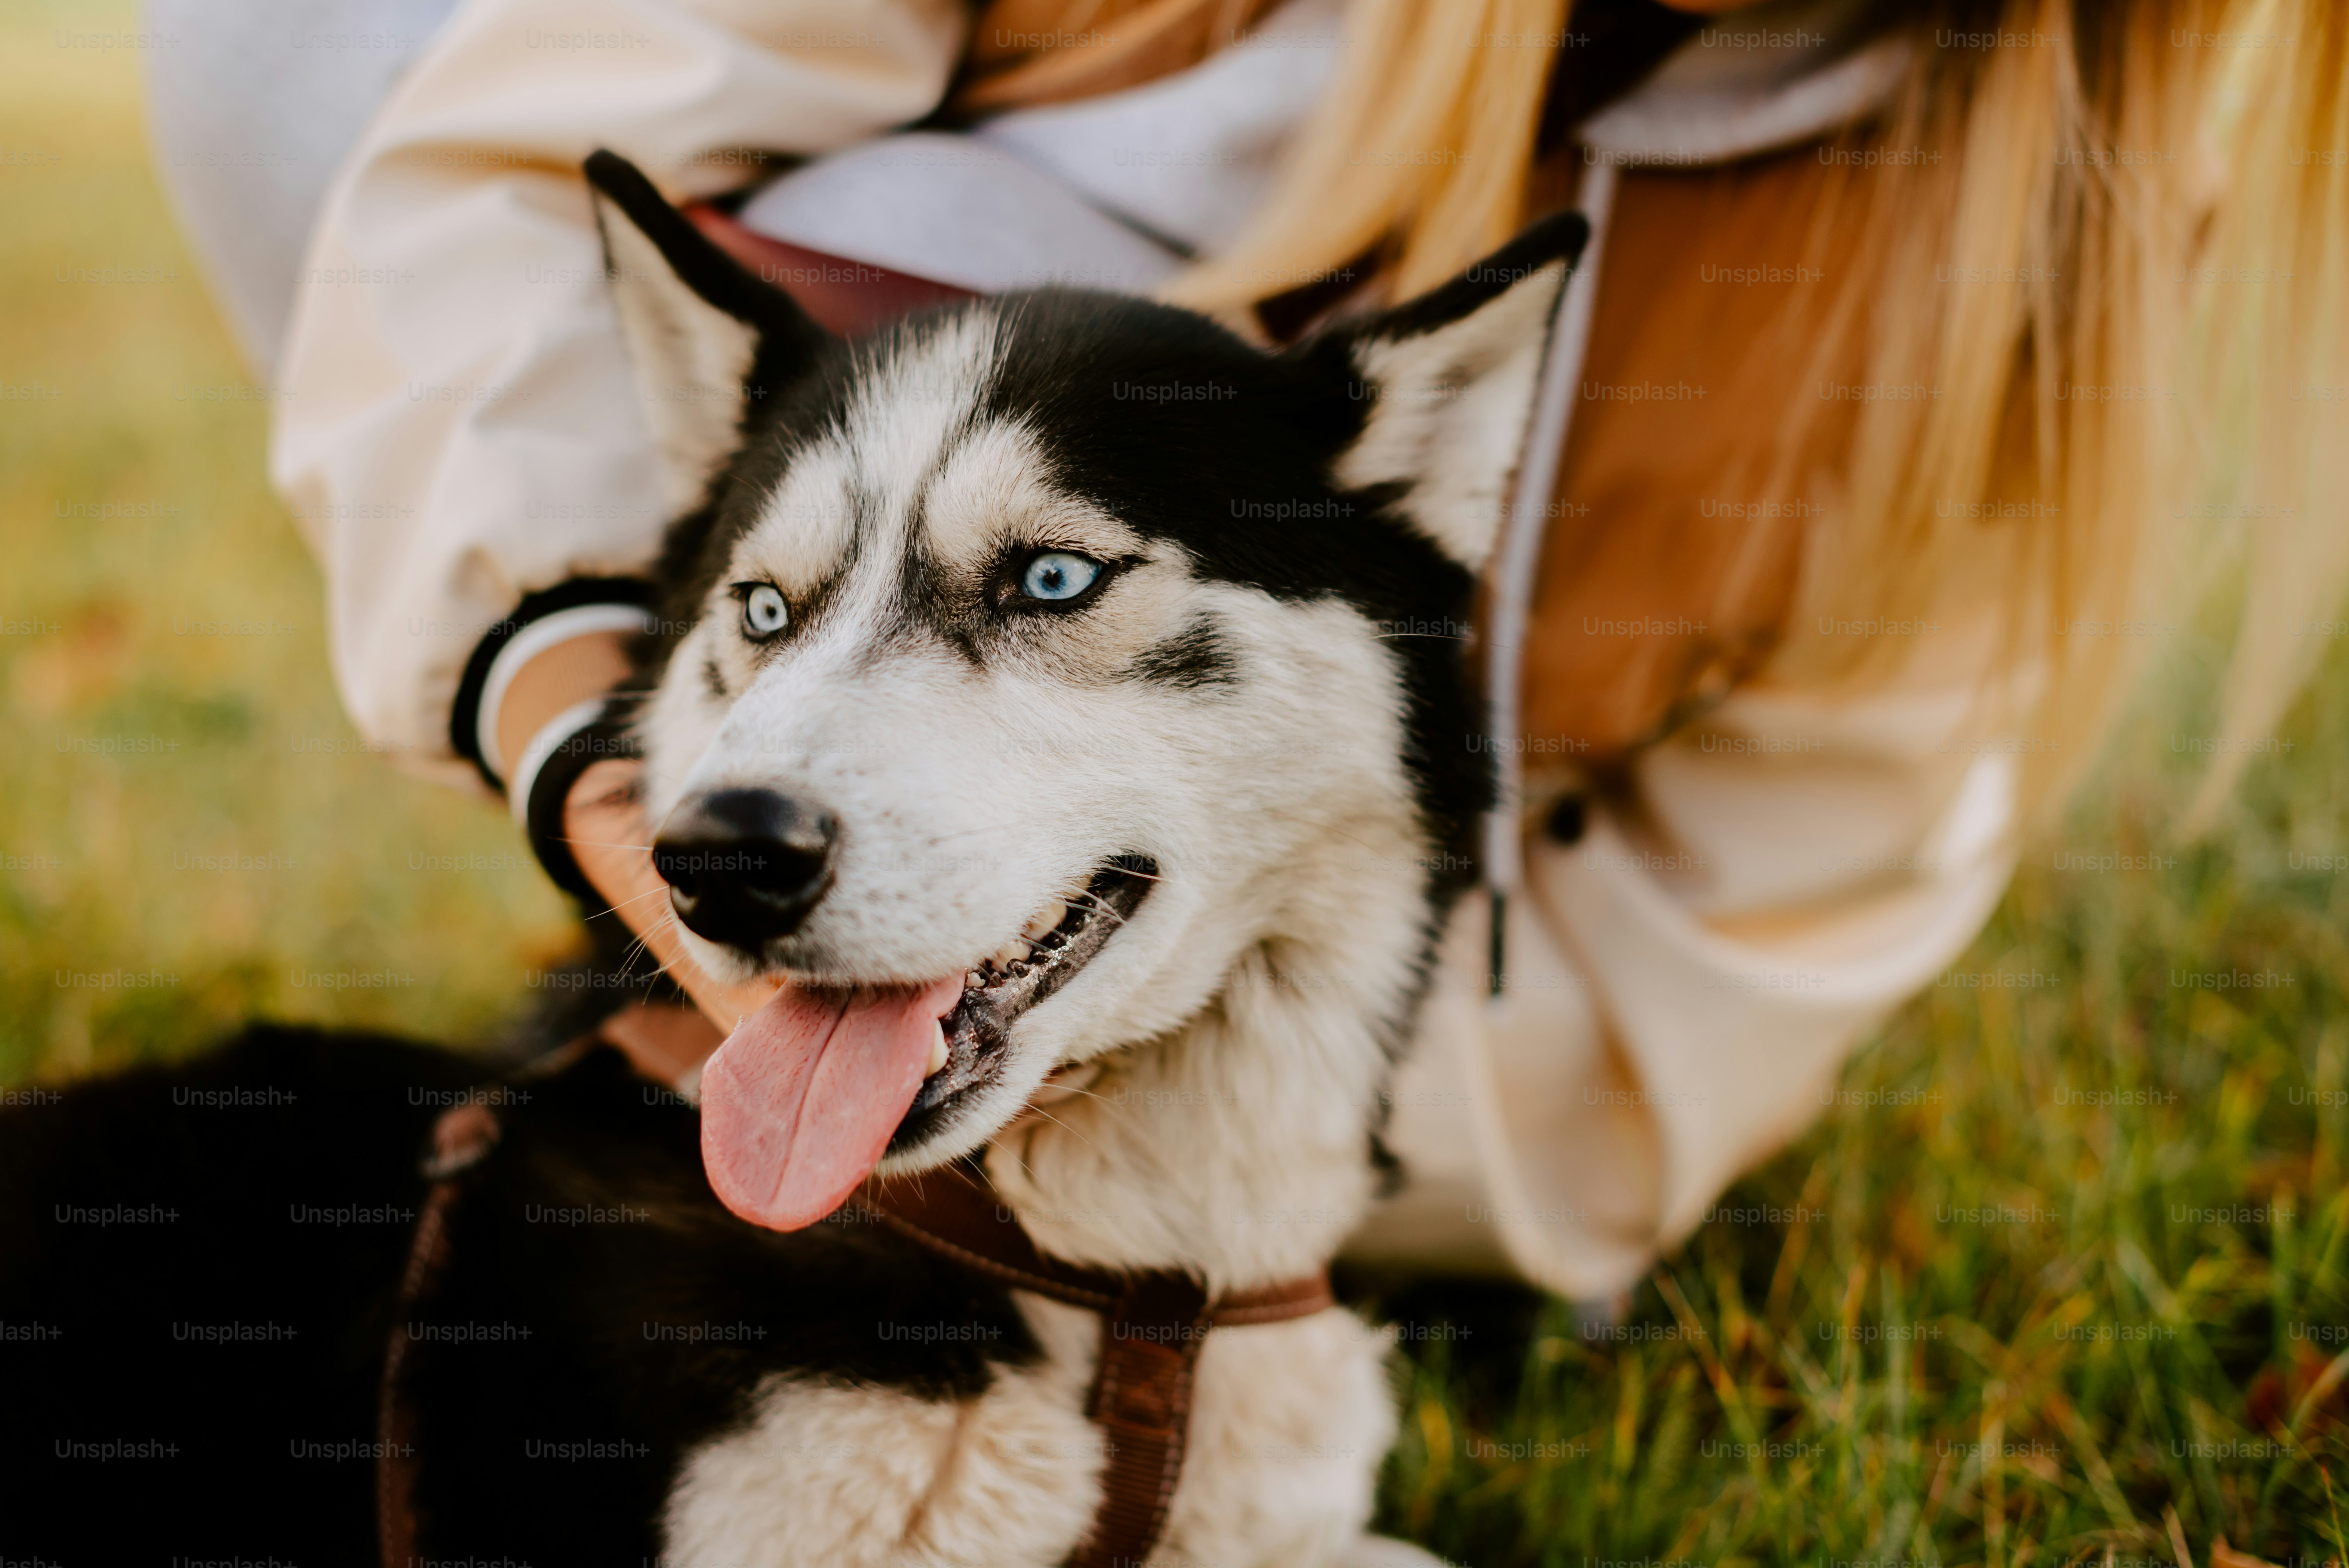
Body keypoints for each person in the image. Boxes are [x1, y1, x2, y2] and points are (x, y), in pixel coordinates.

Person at [153, 0, 2349, 1303]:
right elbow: (512, 176)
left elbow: (1685, 1006)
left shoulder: (2043, 270)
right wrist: (590, 738)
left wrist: (1168, 1105)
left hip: (1360, 975)